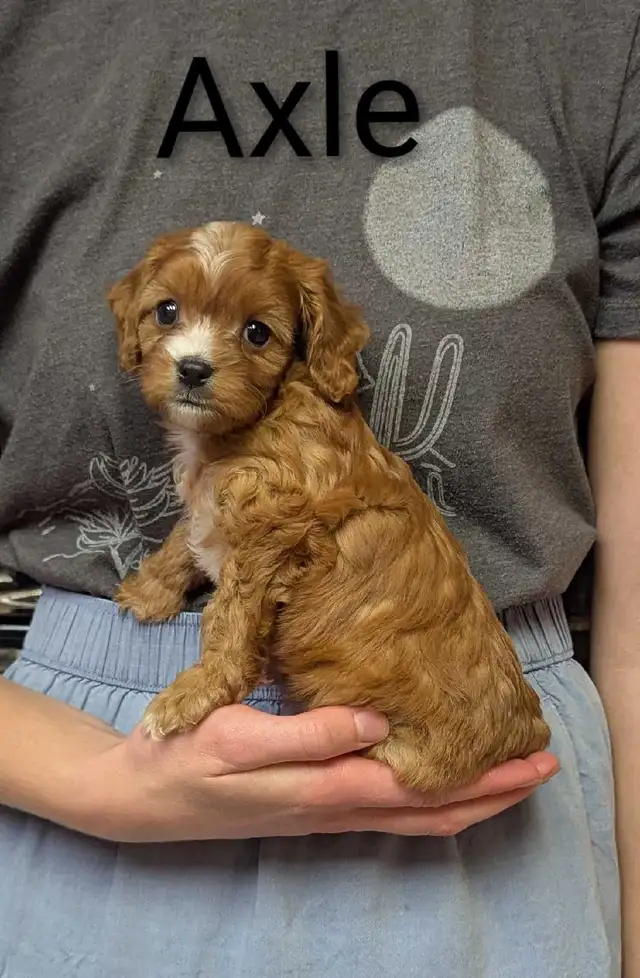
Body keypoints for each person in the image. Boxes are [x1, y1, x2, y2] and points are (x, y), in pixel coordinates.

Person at [0, 0, 637, 974]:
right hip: (68, 766)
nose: (200, 352)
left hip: (478, 773)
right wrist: (84, 775)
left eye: (255, 332)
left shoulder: (596, 32)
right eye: (169, 316)